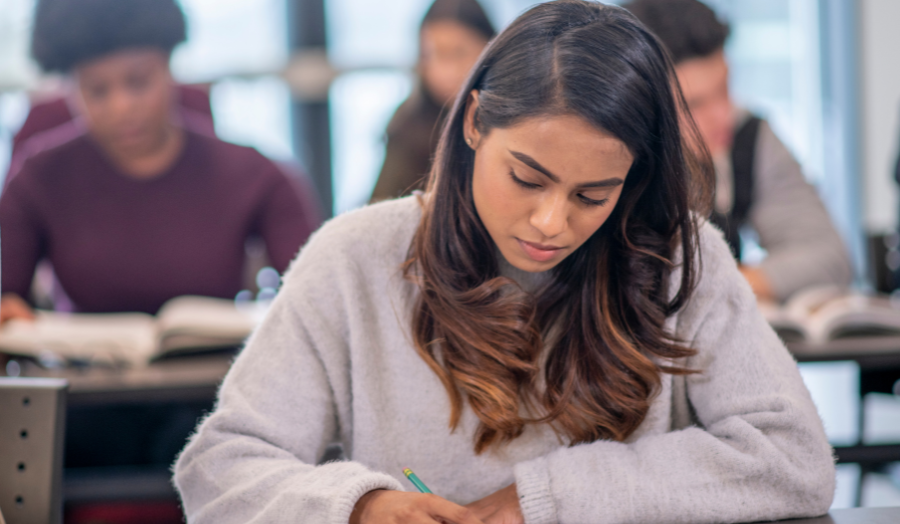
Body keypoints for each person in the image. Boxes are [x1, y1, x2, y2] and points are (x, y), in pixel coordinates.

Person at [175, 2, 834, 523]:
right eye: (526, 177)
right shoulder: (352, 259)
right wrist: (359, 506)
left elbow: (792, 456)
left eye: (592, 195)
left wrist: (552, 501)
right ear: (473, 123)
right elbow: (220, 466)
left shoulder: (677, 260)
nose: (552, 223)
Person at [0, 0, 321, 322]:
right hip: (85, 369)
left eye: (138, 82)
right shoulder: (37, 179)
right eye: (97, 90)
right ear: (69, 90)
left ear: (169, 67)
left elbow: (317, 298)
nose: (121, 106)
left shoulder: (256, 175)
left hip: (229, 369)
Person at [624, 0, 851, 303]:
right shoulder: (608, 159)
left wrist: (724, 286)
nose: (724, 115)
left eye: (725, 87)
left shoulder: (748, 137)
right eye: (695, 104)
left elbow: (829, 258)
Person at [369, 0, 495, 202]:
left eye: (458, 53)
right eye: (432, 54)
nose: (444, 70)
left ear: (490, 50)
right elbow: (379, 204)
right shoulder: (407, 122)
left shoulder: (511, 118)